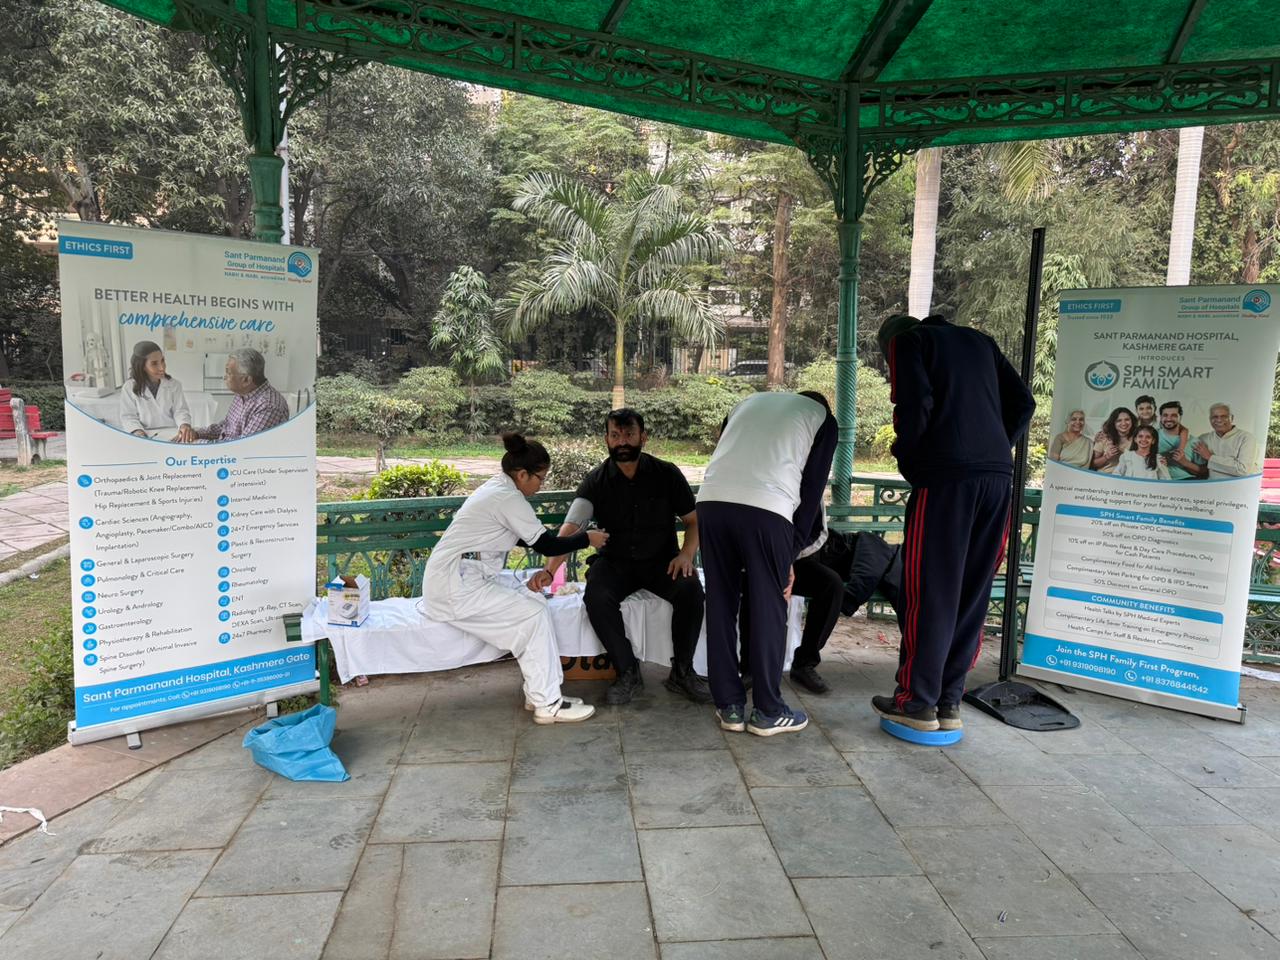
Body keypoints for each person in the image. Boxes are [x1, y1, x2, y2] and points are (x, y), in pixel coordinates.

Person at [874, 313, 1035, 732]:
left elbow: (914, 403)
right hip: (998, 479)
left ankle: (914, 703)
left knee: (931, 591)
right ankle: (948, 703)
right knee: (971, 592)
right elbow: (1024, 402)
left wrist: (912, 460)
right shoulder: (981, 342)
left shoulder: (909, 341)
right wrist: (996, 443)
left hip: (946, 480)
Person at [421, 432, 609, 724]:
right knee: (531, 615)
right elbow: (546, 544)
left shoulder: (500, 489)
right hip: (454, 586)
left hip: (465, 578)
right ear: (522, 474)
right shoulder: (506, 497)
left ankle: (541, 694)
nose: (541, 484)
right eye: (541, 478)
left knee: (533, 603)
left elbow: (527, 538)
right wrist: (588, 539)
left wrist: (551, 559)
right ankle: (549, 705)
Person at [541, 409, 710, 706]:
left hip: (662, 562)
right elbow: (572, 527)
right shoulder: (596, 481)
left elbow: (693, 521)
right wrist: (549, 570)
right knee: (596, 595)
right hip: (615, 562)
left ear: (642, 437)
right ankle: (628, 671)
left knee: (691, 590)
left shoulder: (667, 473)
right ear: (606, 439)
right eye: (615, 435)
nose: (623, 442)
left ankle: (682, 674)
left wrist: (686, 554)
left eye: (629, 434)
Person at [696, 390, 838, 737]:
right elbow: (811, 493)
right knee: (770, 606)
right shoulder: (824, 420)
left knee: (721, 603)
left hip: (711, 502)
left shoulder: (746, 403)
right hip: (767, 508)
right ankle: (768, 710)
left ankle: (729, 706)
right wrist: (789, 554)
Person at [736, 515, 844, 695]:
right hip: (756, 557)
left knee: (832, 585)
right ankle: (749, 668)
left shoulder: (811, 488)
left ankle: (804, 663)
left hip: (795, 558)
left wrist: (788, 557)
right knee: (753, 585)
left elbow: (818, 533)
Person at [183, 348, 289, 442]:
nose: (224, 377)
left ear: (246, 380)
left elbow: (240, 449)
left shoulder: (268, 406)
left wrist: (196, 443)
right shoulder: (243, 393)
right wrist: (197, 434)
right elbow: (226, 427)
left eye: (228, 372)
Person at [118, 340, 195, 441]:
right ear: (142, 366)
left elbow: (180, 410)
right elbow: (128, 416)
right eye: (154, 363)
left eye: (162, 360)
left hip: (171, 433)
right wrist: (138, 432)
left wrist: (184, 425)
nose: (162, 367)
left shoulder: (174, 385)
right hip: (145, 434)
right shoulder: (129, 387)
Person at [1190, 403, 1256, 479]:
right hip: (1210, 487)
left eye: (1224, 416)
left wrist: (1210, 457)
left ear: (1232, 418)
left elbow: (1243, 470)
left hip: (1238, 487)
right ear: (1210, 420)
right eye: (1214, 417)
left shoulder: (1246, 438)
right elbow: (1196, 466)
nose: (1219, 420)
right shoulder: (1204, 438)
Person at [1156, 401, 1198, 480]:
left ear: (1180, 417)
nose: (1169, 418)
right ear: (1160, 417)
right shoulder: (1151, 436)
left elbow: (1204, 472)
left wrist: (1185, 462)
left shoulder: (1194, 441)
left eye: (1174, 415)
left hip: (1186, 481)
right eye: (1165, 415)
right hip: (1158, 480)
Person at [1090, 406, 1136, 474]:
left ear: (1132, 421)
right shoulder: (1103, 437)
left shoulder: (1138, 438)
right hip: (1105, 476)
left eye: (1127, 419)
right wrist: (1106, 457)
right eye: (1119, 420)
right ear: (1113, 423)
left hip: (1127, 478)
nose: (1123, 423)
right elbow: (1093, 464)